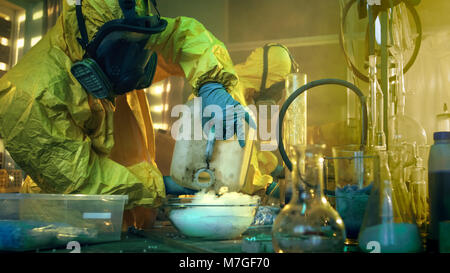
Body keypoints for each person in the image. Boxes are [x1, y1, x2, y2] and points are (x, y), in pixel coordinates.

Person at [0, 0, 252, 229]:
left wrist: (211, 82)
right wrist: (160, 186)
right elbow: (80, 180)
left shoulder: (125, 32)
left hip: (138, 220)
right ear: (87, 38)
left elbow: (183, 37)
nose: (135, 60)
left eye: (142, 43)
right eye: (126, 46)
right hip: (66, 228)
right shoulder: (26, 95)